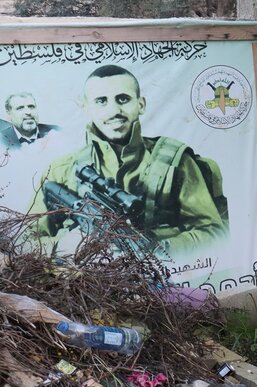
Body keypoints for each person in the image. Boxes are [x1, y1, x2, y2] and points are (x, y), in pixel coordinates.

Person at [28, 65, 228, 255]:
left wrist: (159, 249)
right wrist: (65, 246)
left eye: (123, 99)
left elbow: (214, 233)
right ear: (85, 108)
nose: (114, 111)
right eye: (101, 101)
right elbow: (26, 241)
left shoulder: (176, 162)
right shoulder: (62, 170)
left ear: (141, 105)